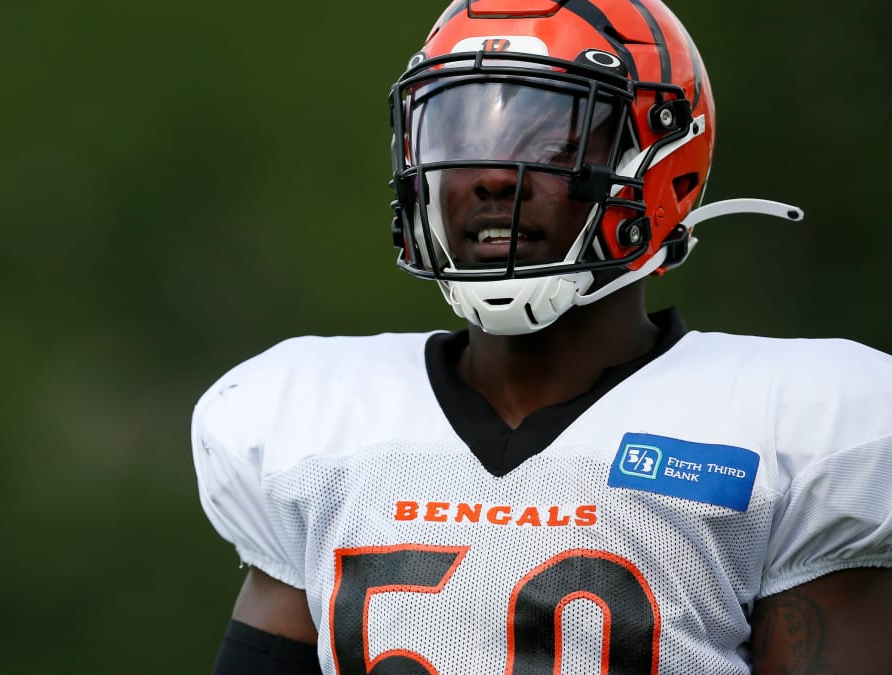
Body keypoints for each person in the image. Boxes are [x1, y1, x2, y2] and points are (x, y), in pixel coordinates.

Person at [191, 0, 892, 672]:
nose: (495, 173)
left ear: (658, 158)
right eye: (459, 134)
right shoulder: (312, 418)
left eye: (551, 133)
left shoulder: (790, 423)